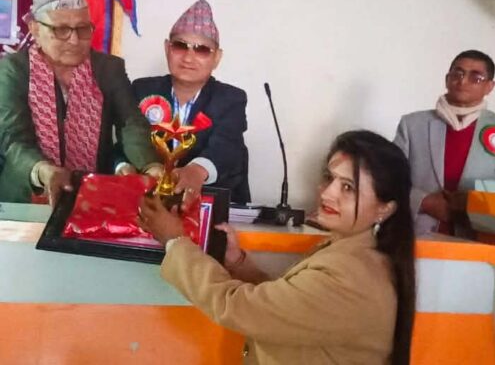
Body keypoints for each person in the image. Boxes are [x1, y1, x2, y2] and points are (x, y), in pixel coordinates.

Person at [138, 130, 416, 365]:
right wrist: (239, 263)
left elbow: (238, 307)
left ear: (384, 208)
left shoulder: (351, 277)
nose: (327, 192)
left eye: (348, 187)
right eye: (329, 178)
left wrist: (175, 241)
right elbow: (290, 307)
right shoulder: (350, 253)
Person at [0, 0, 161, 205]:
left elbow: (130, 122)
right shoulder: (12, 70)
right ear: (35, 28)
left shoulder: (108, 68)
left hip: (93, 193)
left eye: (82, 28)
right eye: (61, 29)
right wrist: (43, 170)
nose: (74, 40)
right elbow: (12, 138)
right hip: (25, 199)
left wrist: (150, 165)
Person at [123, 0, 250, 204]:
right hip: (147, 203)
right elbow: (124, 140)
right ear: (167, 48)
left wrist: (197, 171)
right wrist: (123, 167)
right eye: (180, 46)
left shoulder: (230, 99)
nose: (188, 58)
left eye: (202, 49)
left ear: (217, 58)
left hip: (210, 207)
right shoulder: (141, 90)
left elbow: (226, 145)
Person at [394, 49, 495, 236]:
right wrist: (424, 201)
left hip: (481, 238)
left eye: (476, 77)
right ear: (447, 79)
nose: (463, 81)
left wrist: (476, 204)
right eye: (457, 74)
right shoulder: (412, 125)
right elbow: (388, 178)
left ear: (489, 87)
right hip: (418, 235)